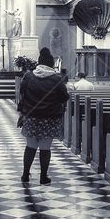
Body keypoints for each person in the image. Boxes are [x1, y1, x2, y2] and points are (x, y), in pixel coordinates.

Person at [18, 48, 69, 185]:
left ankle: (25, 174)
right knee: (45, 148)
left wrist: (22, 113)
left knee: (30, 146)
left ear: (39, 63)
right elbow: (65, 97)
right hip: (50, 117)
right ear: (51, 64)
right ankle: (43, 176)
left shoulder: (29, 76)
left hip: (32, 116)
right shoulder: (56, 79)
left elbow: (22, 96)